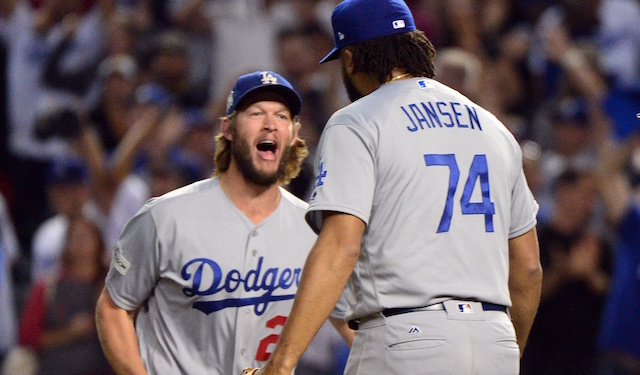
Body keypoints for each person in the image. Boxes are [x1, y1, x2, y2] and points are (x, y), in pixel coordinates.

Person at [244, 1, 543, 374]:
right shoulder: (493, 127)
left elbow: (342, 245)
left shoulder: (358, 121)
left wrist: (282, 361)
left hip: (408, 337)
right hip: (494, 338)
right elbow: (528, 267)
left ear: (351, 60)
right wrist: (503, 350)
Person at [95, 71, 320, 374]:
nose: (270, 123)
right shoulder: (164, 216)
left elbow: (349, 317)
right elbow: (113, 307)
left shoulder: (310, 227)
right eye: (256, 113)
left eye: (282, 116)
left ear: (293, 134)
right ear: (228, 129)